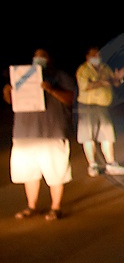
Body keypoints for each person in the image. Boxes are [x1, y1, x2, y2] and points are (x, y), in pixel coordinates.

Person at [3, 49, 76, 221]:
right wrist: (8, 92)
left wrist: (51, 90)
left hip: (51, 133)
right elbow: (12, 101)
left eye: (43, 56)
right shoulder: (23, 76)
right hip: (24, 133)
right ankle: (31, 206)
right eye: (36, 55)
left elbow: (71, 99)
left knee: (55, 173)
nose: (39, 59)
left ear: (50, 59)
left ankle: (55, 207)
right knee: (28, 174)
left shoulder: (61, 77)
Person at [75, 46, 124, 176]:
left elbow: (114, 82)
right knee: (88, 136)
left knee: (107, 135)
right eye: (94, 55)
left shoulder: (105, 68)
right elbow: (85, 86)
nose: (97, 58)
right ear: (88, 57)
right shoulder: (83, 70)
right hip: (87, 106)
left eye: (98, 55)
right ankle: (92, 165)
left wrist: (118, 78)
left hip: (103, 107)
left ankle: (111, 164)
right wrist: (104, 82)